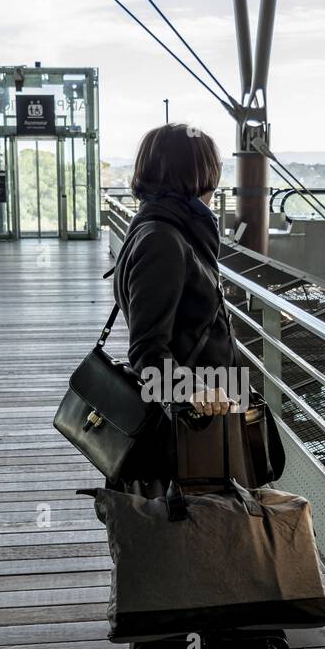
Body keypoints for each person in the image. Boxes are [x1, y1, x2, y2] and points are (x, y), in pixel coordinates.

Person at [112, 122, 250, 490]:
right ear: (197, 174)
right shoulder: (163, 239)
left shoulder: (161, 226)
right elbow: (146, 350)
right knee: (203, 530)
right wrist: (193, 390)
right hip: (190, 424)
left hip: (204, 412)